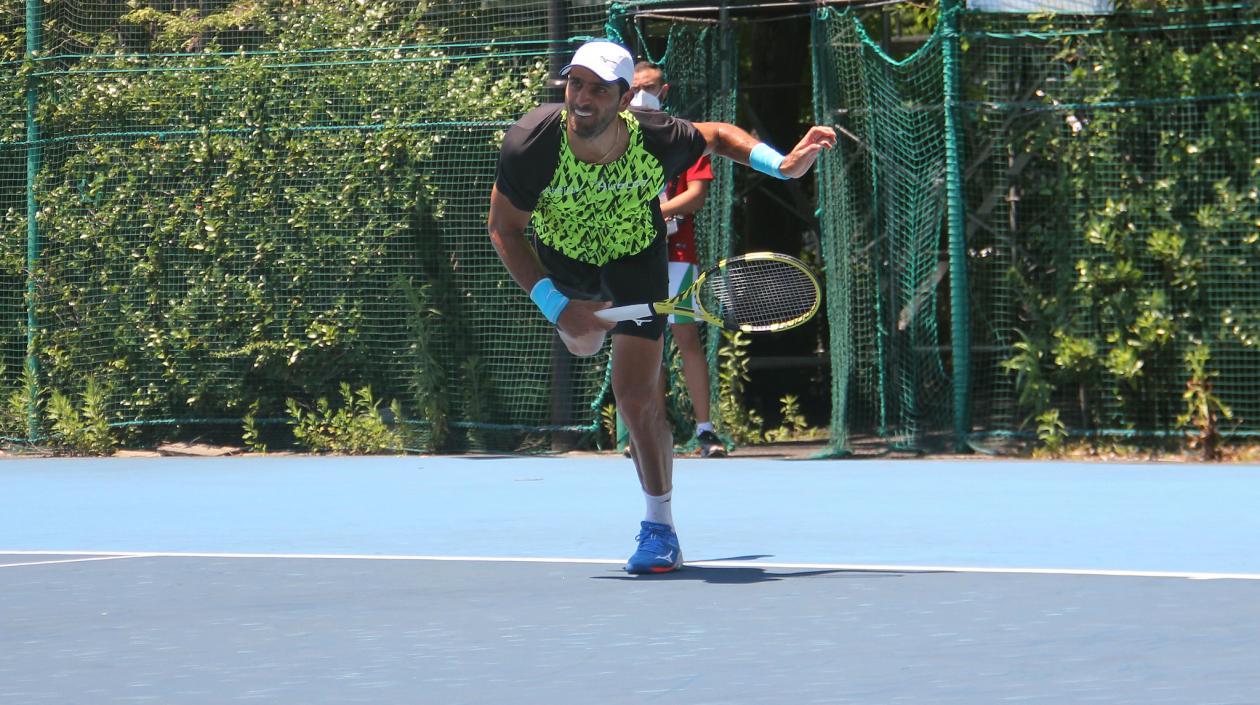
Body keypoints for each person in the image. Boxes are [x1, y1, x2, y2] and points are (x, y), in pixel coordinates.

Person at [487, 39, 835, 574]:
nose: (582, 98)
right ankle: (584, 330)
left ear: (625, 99)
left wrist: (783, 166)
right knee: (583, 343)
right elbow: (503, 229)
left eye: (599, 90)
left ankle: (659, 528)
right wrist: (557, 305)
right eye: (576, 84)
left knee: (635, 397)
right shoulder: (531, 144)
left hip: (635, 261)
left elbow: (718, 136)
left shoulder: (655, 137)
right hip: (567, 266)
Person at [626, 61, 724, 459]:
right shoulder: (615, 138)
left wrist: (655, 214)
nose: (641, 94)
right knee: (643, 343)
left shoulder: (686, 135)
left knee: (686, 338)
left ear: (663, 91)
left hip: (678, 257)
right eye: (635, 87)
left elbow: (695, 195)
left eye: (649, 87)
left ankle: (705, 431)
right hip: (634, 259)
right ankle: (648, 430)